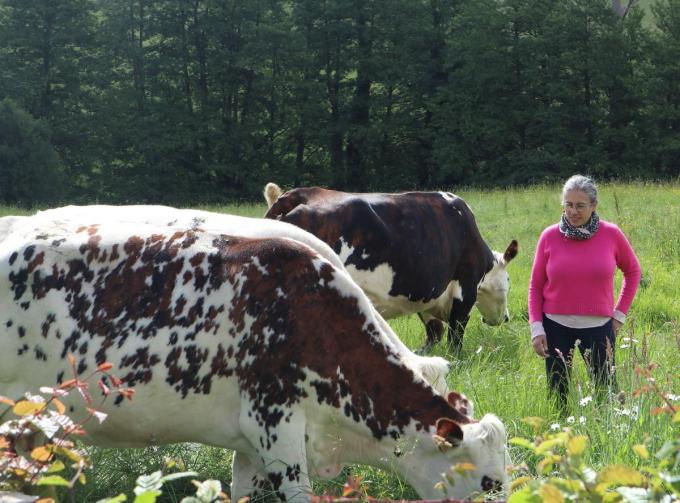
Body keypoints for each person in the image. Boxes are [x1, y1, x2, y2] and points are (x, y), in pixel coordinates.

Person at [528, 175, 641, 409]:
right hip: (555, 327)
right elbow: (536, 285)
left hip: (599, 329)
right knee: (557, 396)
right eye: (568, 204)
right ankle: (558, 442)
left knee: (606, 393)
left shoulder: (611, 234)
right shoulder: (549, 236)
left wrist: (619, 314)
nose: (573, 211)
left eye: (580, 205)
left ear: (593, 206)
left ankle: (605, 441)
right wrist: (536, 327)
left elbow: (633, 271)